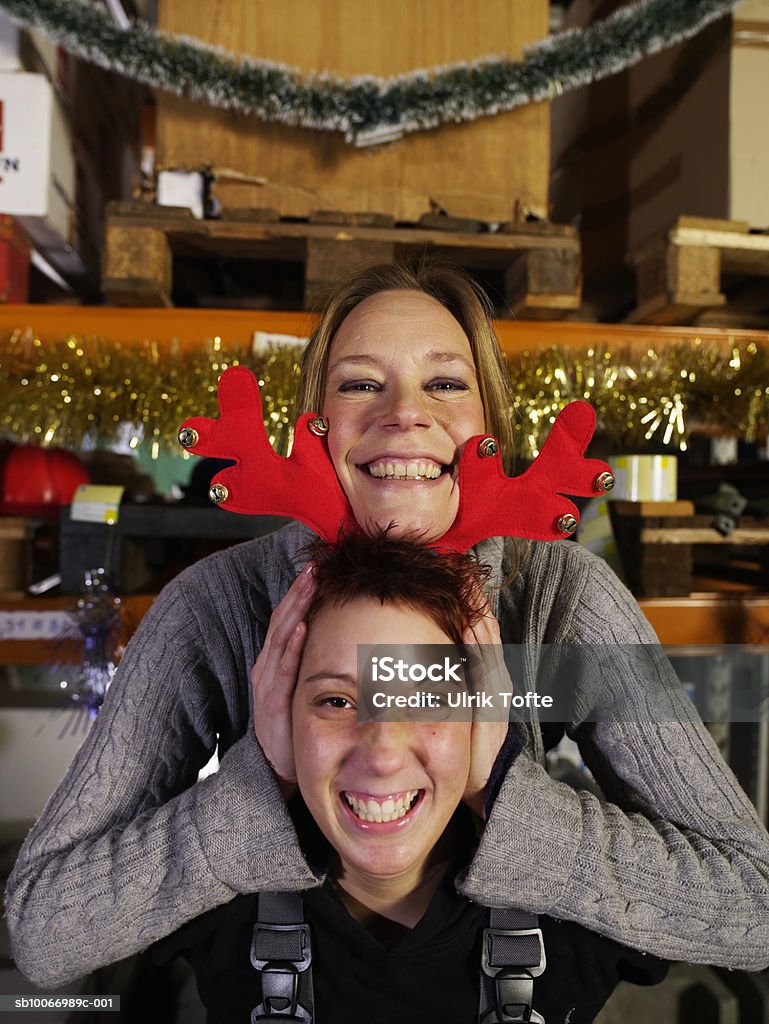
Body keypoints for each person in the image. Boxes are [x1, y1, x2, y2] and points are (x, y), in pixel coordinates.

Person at [6, 262, 769, 991]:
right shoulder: (214, 605)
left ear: (491, 425)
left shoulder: (565, 598)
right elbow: (43, 931)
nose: (404, 413)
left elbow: (752, 904)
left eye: (444, 383)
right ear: (315, 423)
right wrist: (258, 785)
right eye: (360, 384)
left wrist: (498, 789)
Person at [154, 529, 667, 1024]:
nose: (382, 754)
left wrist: (502, 788)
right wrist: (258, 779)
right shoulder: (205, 903)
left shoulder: (589, 915)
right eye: (337, 701)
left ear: (482, 718)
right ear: (282, 717)